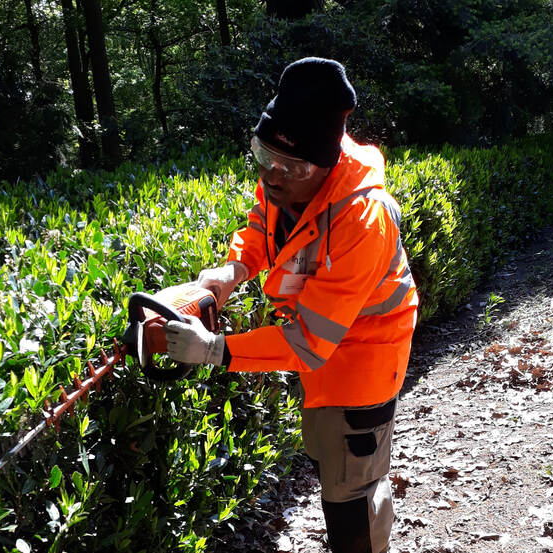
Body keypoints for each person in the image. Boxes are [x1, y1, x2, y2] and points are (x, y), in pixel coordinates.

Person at [164, 57, 418, 553]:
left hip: (364, 361)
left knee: (352, 494)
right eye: (263, 156)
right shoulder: (287, 169)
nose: (272, 176)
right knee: (332, 463)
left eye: (289, 167)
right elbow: (267, 226)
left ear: (323, 165)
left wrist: (216, 350)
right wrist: (232, 269)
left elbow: (307, 340)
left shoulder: (362, 219)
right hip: (323, 358)